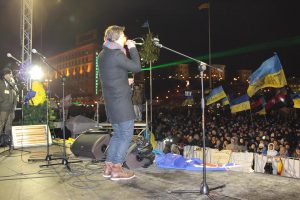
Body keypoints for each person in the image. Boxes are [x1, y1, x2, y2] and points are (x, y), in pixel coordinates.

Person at [99, 25, 141, 180]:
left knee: (118, 134)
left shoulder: (103, 54)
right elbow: (137, 67)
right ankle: (117, 168)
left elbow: (111, 76)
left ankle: (108, 167)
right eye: (123, 36)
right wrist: (133, 48)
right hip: (121, 102)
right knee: (126, 135)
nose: (125, 38)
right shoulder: (117, 54)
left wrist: (124, 81)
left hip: (111, 101)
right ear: (116, 37)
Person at [0, 68, 18, 147]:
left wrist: (15, 105)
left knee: (8, 124)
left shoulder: (12, 84)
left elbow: (16, 94)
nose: (10, 75)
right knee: (1, 123)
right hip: (3, 108)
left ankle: (6, 140)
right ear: (4, 75)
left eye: (10, 74)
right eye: (8, 74)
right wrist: (2, 101)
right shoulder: (1, 83)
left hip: (11, 108)